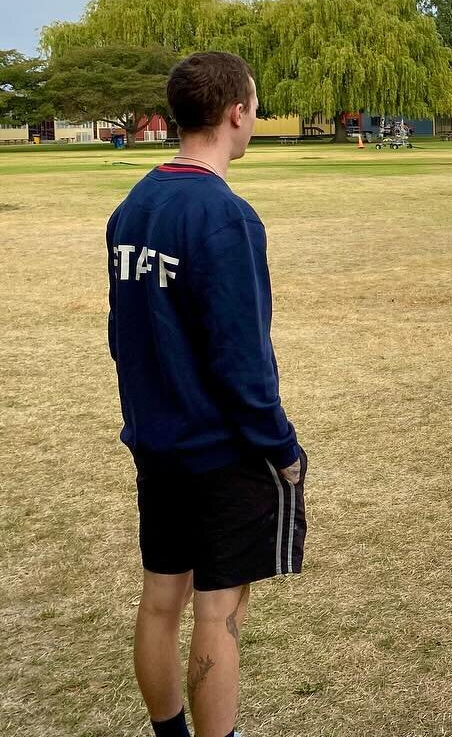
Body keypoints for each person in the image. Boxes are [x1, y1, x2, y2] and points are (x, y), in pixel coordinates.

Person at [108, 51, 306, 737]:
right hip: (220, 450)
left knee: (162, 598)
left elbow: (123, 337)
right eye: (254, 105)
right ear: (234, 113)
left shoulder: (135, 205)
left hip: (157, 442)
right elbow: (242, 361)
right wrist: (282, 448)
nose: (255, 118)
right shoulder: (225, 217)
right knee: (217, 611)